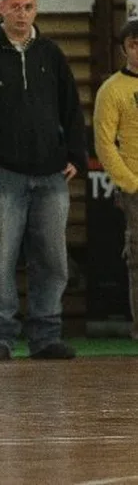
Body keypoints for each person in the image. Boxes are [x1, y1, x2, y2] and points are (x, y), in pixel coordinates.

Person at [0, 0, 86, 362]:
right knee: (0, 259)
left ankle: (46, 336)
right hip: (2, 176)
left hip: (51, 176)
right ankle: (1, 336)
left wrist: (75, 155)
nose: (22, 14)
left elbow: (72, 109)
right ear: (2, 8)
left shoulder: (51, 54)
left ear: (36, 10)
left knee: (52, 260)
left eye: (28, 7)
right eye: (15, 7)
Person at [92, 19, 138, 340]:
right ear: (124, 49)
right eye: (134, 45)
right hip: (135, 187)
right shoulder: (112, 90)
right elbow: (104, 144)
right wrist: (130, 183)